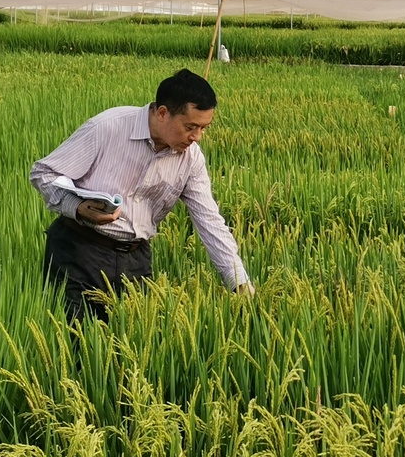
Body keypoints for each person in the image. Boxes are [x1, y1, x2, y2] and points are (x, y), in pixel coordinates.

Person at [30, 68, 254, 322]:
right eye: (191, 127)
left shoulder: (190, 160)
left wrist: (239, 282)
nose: (197, 137)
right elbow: (43, 173)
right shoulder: (107, 128)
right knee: (77, 348)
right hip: (80, 252)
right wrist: (77, 207)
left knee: (132, 347)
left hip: (135, 260)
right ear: (162, 113)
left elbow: (210, 221)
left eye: (204, 128)